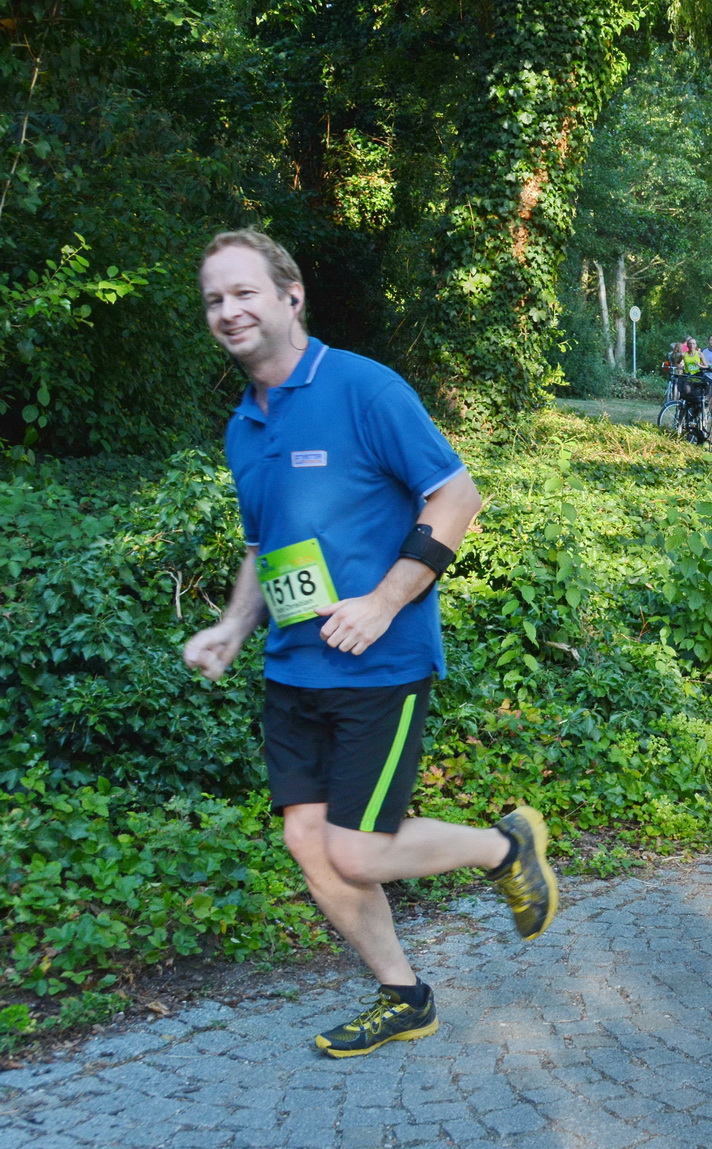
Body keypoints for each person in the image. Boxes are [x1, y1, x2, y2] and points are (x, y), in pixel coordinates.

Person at [184, 229, 558, 1058]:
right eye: (215, 299)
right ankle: (404, 995)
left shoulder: (361, 387)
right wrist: (232, 627)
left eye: (244, 291)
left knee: (354, 850)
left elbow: (456, 498)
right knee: (307, 842)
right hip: (293, 670)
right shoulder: (244, 427)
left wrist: (386, 601)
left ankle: (506, 847)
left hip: (377, 662)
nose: (229, 310)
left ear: (291, 295)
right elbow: (263, 545)